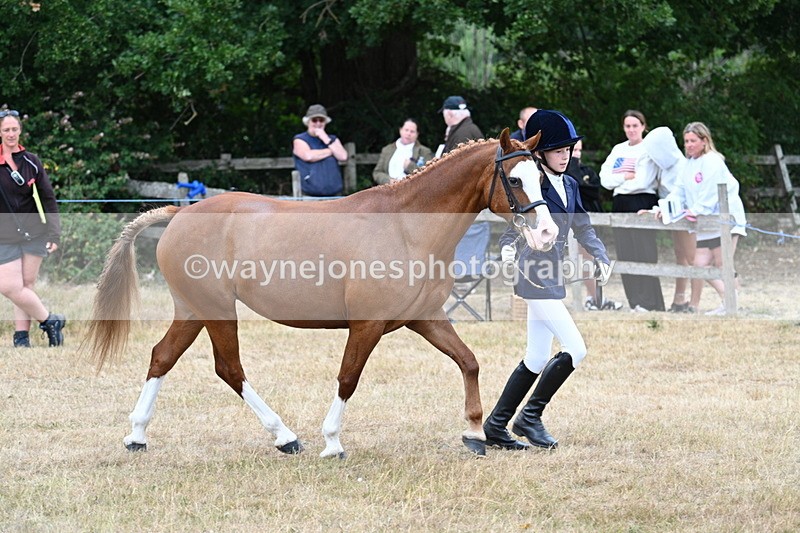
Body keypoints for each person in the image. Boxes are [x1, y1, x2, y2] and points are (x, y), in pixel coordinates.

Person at [484, 110, 612, 450]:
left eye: (569, 149)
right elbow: (515, 224)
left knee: (537, 357)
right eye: (558, 150)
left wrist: (600, 255)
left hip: (555, 275)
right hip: (534, 275)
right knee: (576, 349)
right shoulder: (531, 181)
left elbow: (583, 225)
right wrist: (508, 249)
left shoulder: (570, 183)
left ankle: (497, 425)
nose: (565, 155)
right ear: (541, 153)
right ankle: (530, 417)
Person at [658, 122, 746, 315]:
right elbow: (678, 191)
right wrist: (665, 208)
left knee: (723, 263)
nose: (688, 145)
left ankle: (731, 304)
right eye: (686, 141)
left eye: (693, 141)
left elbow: (711, 191)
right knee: (699, 265)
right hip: (704, 223)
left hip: (725, 218)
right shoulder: (687, 164)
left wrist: (697, 209)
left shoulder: (713, 160)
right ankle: (730, 300)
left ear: (704, 141)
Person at [0, 109, 66, 347]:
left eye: (14, 129)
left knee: (26, 286)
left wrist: (54, 233)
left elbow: (48, 198)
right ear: (0, 132)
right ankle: (50, 320)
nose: (10, 134)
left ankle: (21, 338)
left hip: (34, 233)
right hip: (4, 235)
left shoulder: (32, 161)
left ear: (20, 131)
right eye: (6, 130)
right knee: (9, 286)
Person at [599, 110, 665, 312]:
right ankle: (635, 302)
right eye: (627, 126)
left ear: (644, 126)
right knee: (625, 251)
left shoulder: (648, 149)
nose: (631, 130)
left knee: (643, 252)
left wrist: (622, 179)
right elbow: (605, 179)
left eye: (635, 125)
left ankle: (651, 303)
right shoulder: (618, 149)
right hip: (621, 203)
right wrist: (624, 177)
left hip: (642, 201)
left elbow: (643, 180)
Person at [638, 126, 693, 313]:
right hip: (670, 215)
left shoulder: (682, 166)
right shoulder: (662, 168)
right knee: (680, 255)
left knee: (691, 257)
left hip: (684, 216)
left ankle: (694, 301)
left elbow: (680, 196)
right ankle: (679, 298)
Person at [567, 139, 622, 311]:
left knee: (594, 257)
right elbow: (577, 185)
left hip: (592, 219)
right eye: (573, 150)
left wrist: (584, 184)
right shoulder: (567, 172)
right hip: (575, 223)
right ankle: (593, 297)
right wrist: (573, 166)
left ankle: (597, 297)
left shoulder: (587, 170)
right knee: (585, 258)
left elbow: (594, 190)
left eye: (579, 151)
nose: (577, 154)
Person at [292, 104, 348, 197]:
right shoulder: (299, 139)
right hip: (309, 196)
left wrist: (325, 138)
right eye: (314, 120)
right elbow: (308, 156)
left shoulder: (332, 138)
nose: (318, 123)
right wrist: (331, 151)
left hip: (336, 195)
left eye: (321, 120)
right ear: (307, 122)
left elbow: (343, 156)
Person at [372, 118, 433, 185]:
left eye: (412, 131)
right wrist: (389, 181)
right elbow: (377, 172)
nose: (408, 133)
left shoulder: (424, 151)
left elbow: (428, 175)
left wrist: (410, 166)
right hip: (389, 190)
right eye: (406, 130)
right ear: (400, 130)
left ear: (417, 134)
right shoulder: (387, 149)